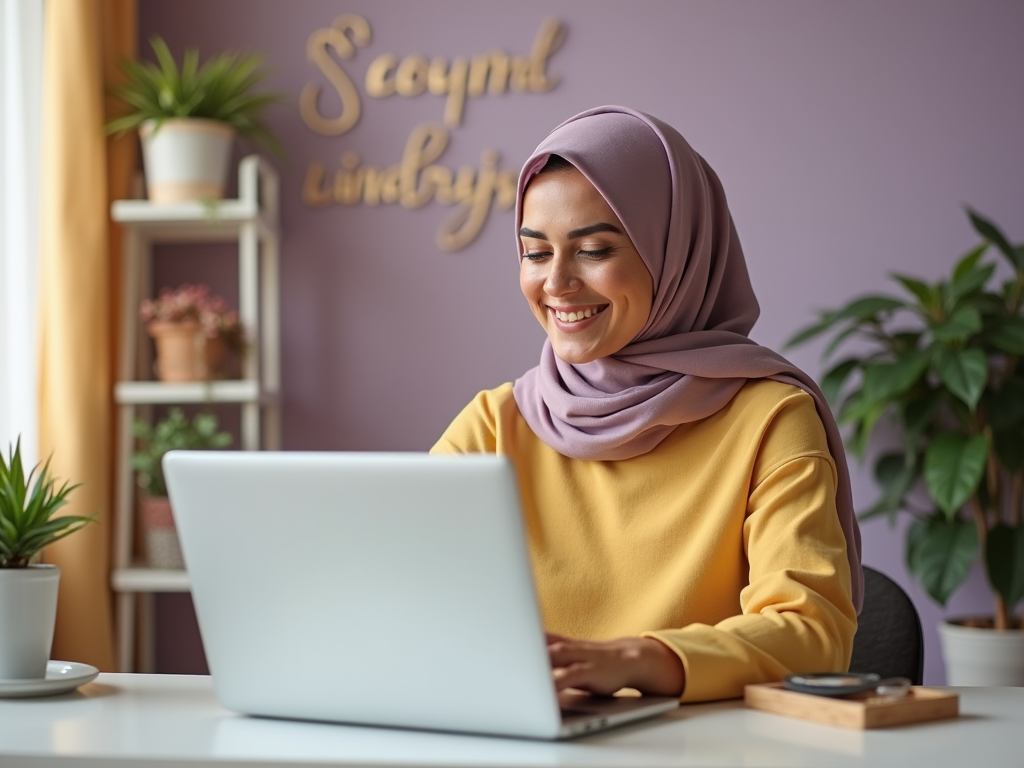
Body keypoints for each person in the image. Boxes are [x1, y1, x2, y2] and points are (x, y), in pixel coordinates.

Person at [430, 106, 862, 703]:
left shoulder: (769, 419)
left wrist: (637, 659)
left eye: (595, 250)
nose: (556, 282)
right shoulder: (493, 427)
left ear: (674, 253)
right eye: (535, 252)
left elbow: (812, 633)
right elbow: (398, 601)